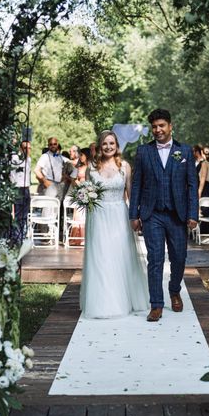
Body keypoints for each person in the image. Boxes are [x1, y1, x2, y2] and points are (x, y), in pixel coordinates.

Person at [129, 109, 199, 322]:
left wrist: (193, 213)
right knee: (155, 259)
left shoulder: (184, 151)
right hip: (152, 216)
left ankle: (174, 289)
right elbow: (137, 184)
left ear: (170, 126)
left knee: (179, 257)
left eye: (162, 126)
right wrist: (134, 214)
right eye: (154, 127)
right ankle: (156, 304)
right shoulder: (143, 152)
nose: (158, 130)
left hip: (178, 215)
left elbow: (191, 185)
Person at [80, 131, 149, 319]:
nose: (108, 147)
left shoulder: (124, 166)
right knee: (101, 257)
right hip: (98, 217)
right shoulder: (91, 168)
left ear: (117, 145)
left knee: (120, 256)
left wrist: (135, 216)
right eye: (105, 144)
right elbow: (86, 193)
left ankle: (124, 299)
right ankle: (103, 303)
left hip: (119, 215)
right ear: (99, 146)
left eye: (112, 143)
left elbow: (130, 194)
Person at [34, 136, 75, 202]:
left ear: (57, 144)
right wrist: (45, 181)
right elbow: (36, 170)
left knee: (57, 208)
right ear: (48, 145)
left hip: (59, 185)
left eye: (55, 144)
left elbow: (72, 162)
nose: (53, 146)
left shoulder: (60, 157)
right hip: (50, 185)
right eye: (50, 144)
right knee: (49, 208)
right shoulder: (45, 156)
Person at [69, 148, 91, 246]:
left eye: (82, 155)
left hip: (90, 192)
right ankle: (77, 237)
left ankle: (87, 237)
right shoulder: (78, 167)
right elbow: (73, 179)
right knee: (78, 215)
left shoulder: (92, 166)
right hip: (80, 192)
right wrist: (78, 183)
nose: (80, 157)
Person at [10, 140, 31, 242]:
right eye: (25, 148)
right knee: (18, 215)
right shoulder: (16, 159)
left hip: (26, 188)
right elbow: (12, 174)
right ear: (20, 149)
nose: (27, 150)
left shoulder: (29, 160)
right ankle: (17, 236)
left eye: (29, 148)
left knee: (24, 214)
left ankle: (22, 234)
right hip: (18, 188)